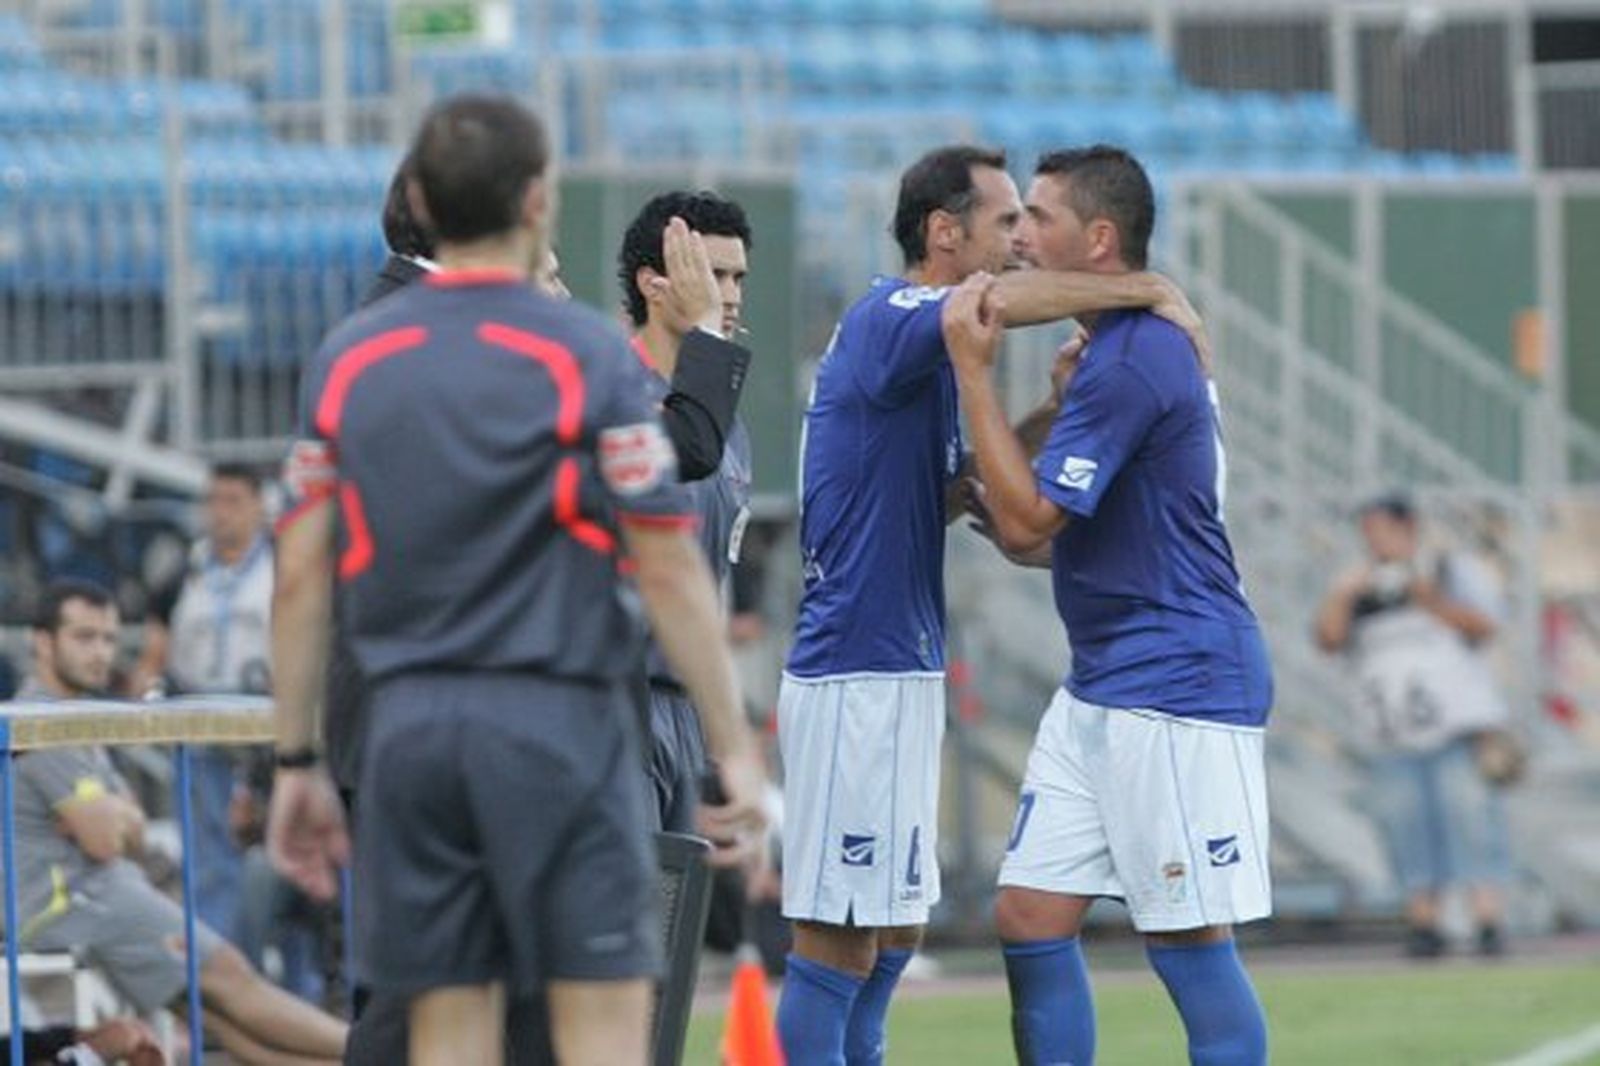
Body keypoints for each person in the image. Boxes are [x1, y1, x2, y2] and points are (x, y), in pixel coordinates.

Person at [267, 94, 767, 1066]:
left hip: (413, 737)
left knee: (447, 1025)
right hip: (557, 730)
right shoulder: (582, 352)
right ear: (537, 200)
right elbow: (665, 562)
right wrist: (732, 743)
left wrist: (294, 759)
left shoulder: (350, 356)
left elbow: (298, 575)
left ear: (423, 198)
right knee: (600, 1018)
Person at [775, 143, 1209, 1066]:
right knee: (838, 936)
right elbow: (992, 307)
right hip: (854, 674)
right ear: (943, 231)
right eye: (1005, 219)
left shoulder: (923, 363)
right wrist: (1143, 289)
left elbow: (973, 499)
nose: (1019, 240)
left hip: (896, 670)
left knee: (892, 935)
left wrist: (1050, 417)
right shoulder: (894, 314)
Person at [942, 145, 1272, 1066]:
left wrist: (975, 378)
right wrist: (1046, 413)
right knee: (1029, 913)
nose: (1018, 234)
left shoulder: (1136, 358)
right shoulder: (1107, 356)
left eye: (1036, 217)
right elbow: (1040, 539)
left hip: (1178, 679)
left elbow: (1024, 522)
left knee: (1187, 940)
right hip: (1106, 680)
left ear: (1096, 238)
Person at [14, 580, 348, 1066]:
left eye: (109, 638)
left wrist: (116, 816)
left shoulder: (75, 714)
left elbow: (131, 825)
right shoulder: (37, 718)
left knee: (229, 1026)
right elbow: (109, 839)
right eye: (84, 637)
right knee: (235, 983)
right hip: (79, 901)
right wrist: (117, 818)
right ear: (42, 642)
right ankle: (390, 1052)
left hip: (92, 898)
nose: (101, 653)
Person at [1314, 493, 1514, 958]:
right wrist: (1345, 592)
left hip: (1455, 727)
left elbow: (1484, 626)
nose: (1375, 541)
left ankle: (1487, 919)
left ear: (1408, 528)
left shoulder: (1447, 569)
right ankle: (1426, 922)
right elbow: (1328, 639)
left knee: (1471, 822)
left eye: (1382, 529)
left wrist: (1426, 596)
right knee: (1407, 829)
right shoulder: (1357, 583)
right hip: (1391, 732)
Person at [618, 190, 756, 835]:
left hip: (686, 710)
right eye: (711, 274)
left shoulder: (727, 427)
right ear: (655, 282)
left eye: (737, 278)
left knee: (678, 927)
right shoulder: (615, 395)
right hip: (620, 699)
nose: (727, 294)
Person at [130, 464, 275, 961]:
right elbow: (156, 647)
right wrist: (146, 692)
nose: (221, 513)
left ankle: (299, 990)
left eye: (234, 500)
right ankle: (219, 978)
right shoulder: (186, 572)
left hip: (271, 731)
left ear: (260, 504)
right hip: (201, 724)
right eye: (213, 501)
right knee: (210, 863)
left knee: (285, 859)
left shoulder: (282, 564)